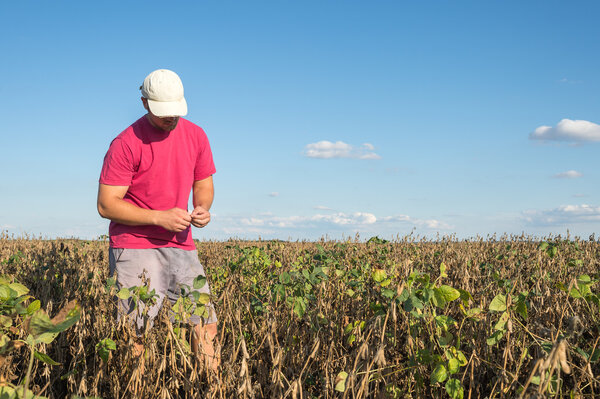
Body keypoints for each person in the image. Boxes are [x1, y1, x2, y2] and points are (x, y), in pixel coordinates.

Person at [97, 69, 219, 371]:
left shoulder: (196, 135)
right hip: (135, 245)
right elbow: (106, 205)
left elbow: (203, 184)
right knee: (135, 331)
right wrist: (158, 218)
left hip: (181, 244)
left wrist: (202, 208)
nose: (171, 119)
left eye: (175, 112)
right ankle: (132, 386)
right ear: (144, 103)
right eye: (164, 113)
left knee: (204, 324)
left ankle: (211, 386)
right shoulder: (126, 143)